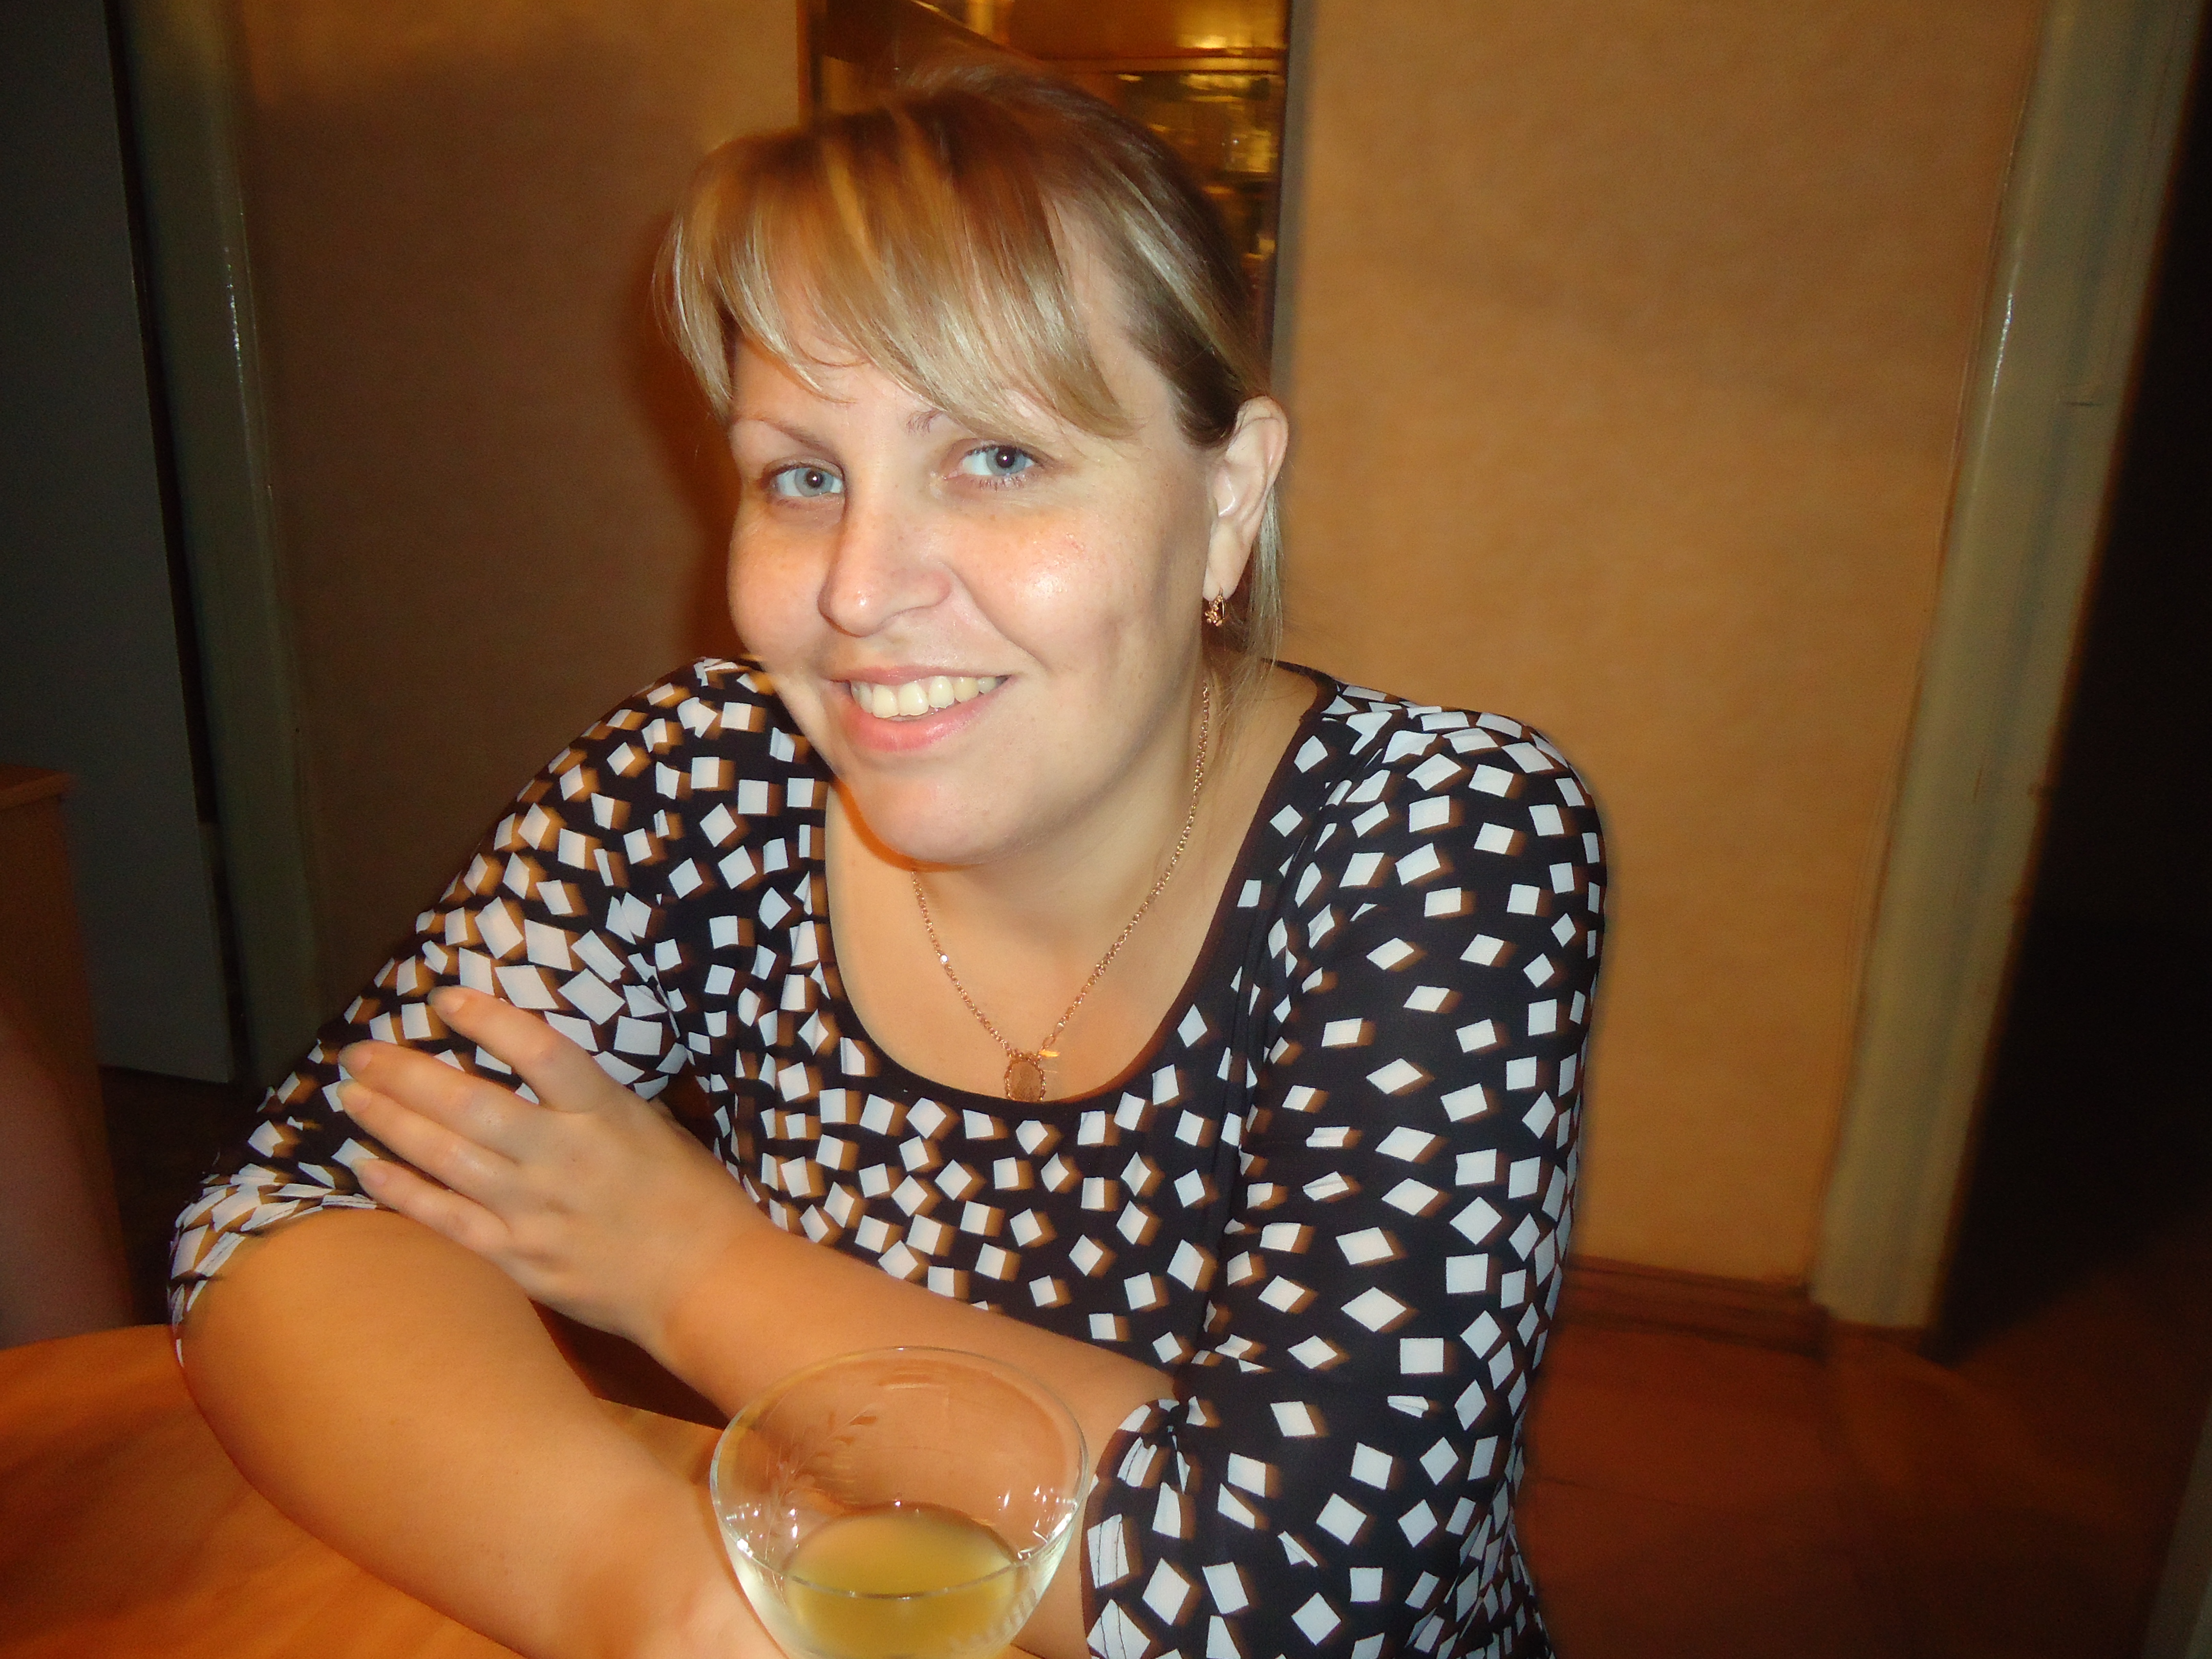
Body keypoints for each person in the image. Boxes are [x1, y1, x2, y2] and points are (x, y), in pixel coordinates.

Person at [171, 66, 1604, 1659]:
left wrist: (688, 1267)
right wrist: (655, 1594)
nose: (857, 590)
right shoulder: (704, 780)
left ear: (1228, 496)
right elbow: (280, 1212)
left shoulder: (1444, 836)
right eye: (801, 475)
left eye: (996, 455)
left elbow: (1302, 1595)